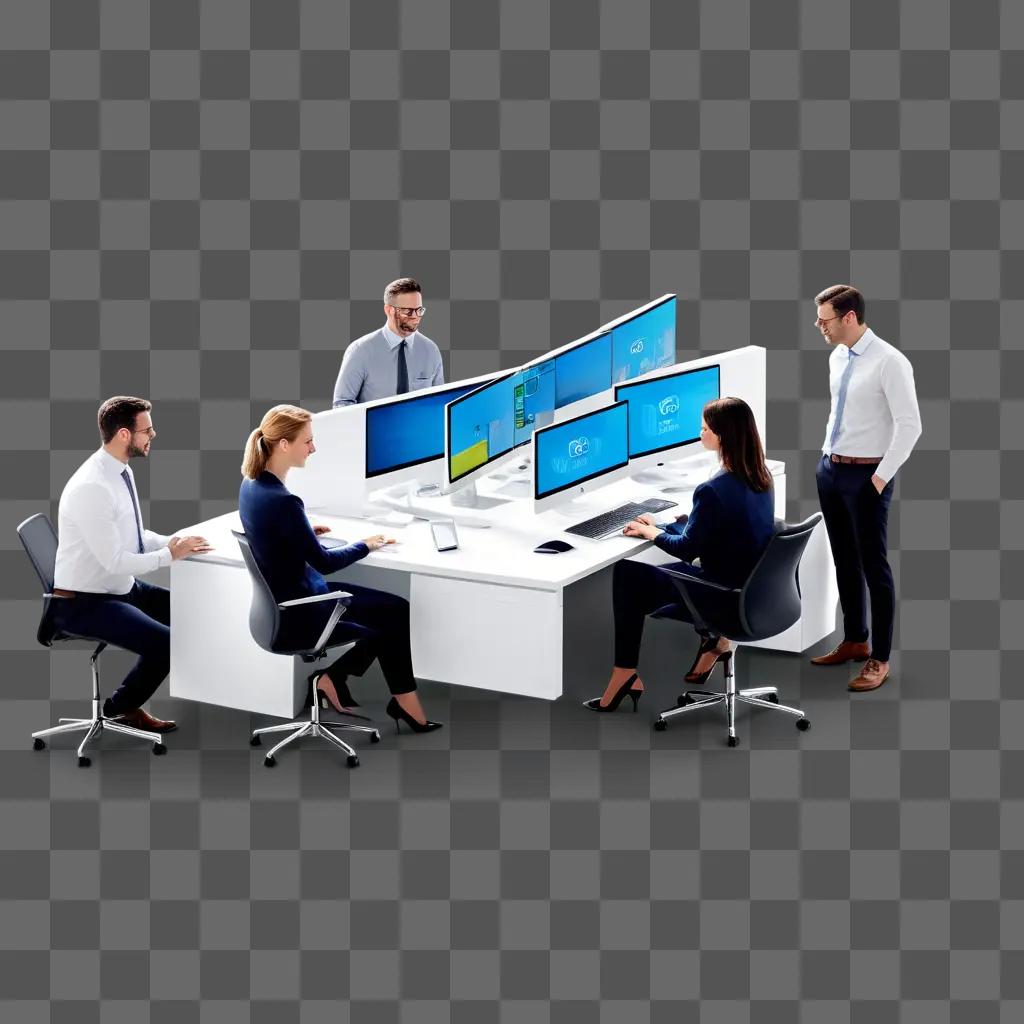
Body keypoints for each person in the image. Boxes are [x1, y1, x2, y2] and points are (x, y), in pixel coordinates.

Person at [238, 405, 442, 732]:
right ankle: (402, 702)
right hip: (306, 609)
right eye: (307, 442)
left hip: (281, 606)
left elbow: (268, 532)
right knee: (393, 614)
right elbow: (325, 563)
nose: (313, 448)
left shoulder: (252, 485)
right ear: (284, 445)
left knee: (388, 615)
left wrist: (303, 533)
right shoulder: (285, 501)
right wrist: (366, 544)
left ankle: (333, 679)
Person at [585, 397, 775, 712]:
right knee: (643, 572)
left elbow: (687, 550)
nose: (700, 433)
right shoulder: (760, 475)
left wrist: (652, 532)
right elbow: (723, 532)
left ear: (722, 436)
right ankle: (714, 639)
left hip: (721, 594)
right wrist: (675, 525)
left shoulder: (712, 489)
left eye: (704, 428)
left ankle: (625, 675)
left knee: (627, 574)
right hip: (754, 590)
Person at [52, 396, 213, 732]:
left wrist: (171, 541)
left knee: (192, 614)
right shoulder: (92, 487)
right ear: (124, 434)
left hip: (117, 587)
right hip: (84, 601)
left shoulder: (119, 470)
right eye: (147, 430)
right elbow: (115, 561)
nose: (153, 435)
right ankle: (120, 708)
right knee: (166, 643)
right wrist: (171, 555)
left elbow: (133, 533)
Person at [810, 284, 922, 692]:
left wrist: (880, 477)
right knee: (844, 559)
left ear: (850, 317)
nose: (818, 325)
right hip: (831, 470)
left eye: (825, 319)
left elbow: (910, 425)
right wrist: (826, 459)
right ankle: (855, 639)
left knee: (875, 567)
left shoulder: (890, 362)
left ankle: (880, 658)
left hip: (867, 477)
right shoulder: (837, 356)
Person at [332, 277, 444, 406]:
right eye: (407, 311)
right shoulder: (360, 350)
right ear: (389, 310)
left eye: (419, 310)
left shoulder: (430, 350)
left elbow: (439, 402)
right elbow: (342, 403)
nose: (415, 316)